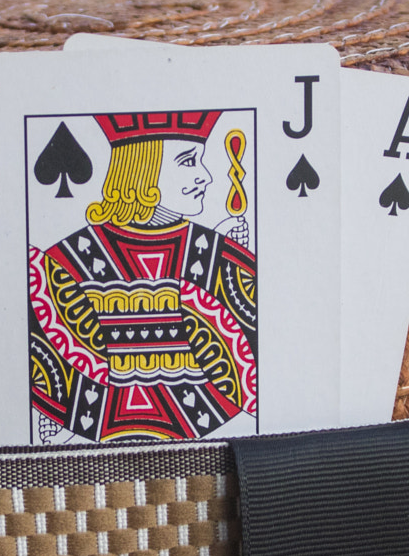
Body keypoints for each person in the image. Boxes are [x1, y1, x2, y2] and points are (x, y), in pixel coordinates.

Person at [28, 109, 256, 443]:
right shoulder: (73, 259)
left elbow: (248, 368)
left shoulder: (215, 255)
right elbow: (49, 361)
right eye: (189, 161)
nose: (205, 176)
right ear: (142, 169)